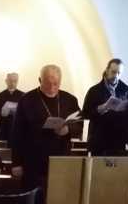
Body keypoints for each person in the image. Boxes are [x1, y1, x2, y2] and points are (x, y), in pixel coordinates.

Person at [10, 64, 80, 194]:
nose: (52, 88)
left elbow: (79, 125)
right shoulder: (27, 100)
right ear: (40, 80)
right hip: (33, 160)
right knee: (34, 199)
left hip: (61, 158)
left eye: (56, 84)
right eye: (48, 83)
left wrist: (68, 130)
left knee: (59, 196)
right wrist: (16, 163)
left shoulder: (70, 100)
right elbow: (17, 133)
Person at [82, 58, 128, 156]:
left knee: (117, 166)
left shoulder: (126, 90)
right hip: (99, 139)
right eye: (113, 72)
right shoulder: (94, 91)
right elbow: (85, 113)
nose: (116, 76)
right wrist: (102, 108)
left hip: (119, 139)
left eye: (119, 73)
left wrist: (125, 110)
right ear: (107, 70)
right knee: (98, 166)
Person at [0, 72, 24, 142]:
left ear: (18, 81)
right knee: (1, 148)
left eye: (15, 81)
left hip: (17, 129)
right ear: (6, 81)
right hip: (2, 130)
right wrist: (1, 113)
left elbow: (28, 114)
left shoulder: (23, 96)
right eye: (10, 81)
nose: (13, 83)